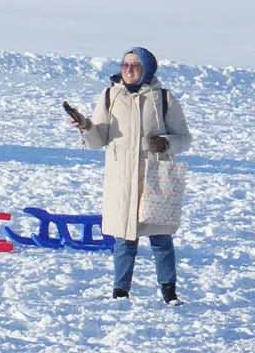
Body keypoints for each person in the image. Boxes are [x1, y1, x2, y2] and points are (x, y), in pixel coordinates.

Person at [69, 47, 192, 303]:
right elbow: (98, 140)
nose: (128, 70)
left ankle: (169, 292)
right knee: (124, 239)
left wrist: (167, 143)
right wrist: (85, 126)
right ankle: (120, 291)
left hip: (154, 179)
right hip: (122, 181)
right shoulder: (109, 96)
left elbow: (184, 139)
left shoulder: (164, 98)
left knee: (161, 238)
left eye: (135, 65)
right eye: (125, 64)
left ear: (147, 69)